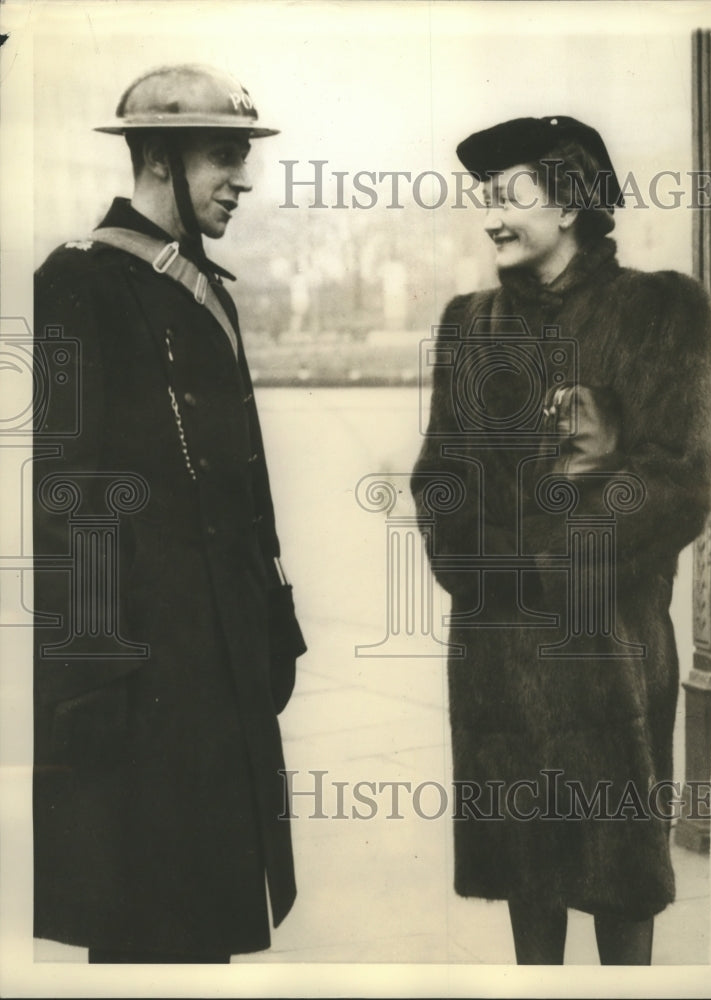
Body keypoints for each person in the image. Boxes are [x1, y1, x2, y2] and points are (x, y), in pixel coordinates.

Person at [411, 116, 711, 964]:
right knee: (527, 890)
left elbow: (673, 482)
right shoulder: (468, 323)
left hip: (606, 652)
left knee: (620, 888)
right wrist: (481, 570)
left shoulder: (660, 308)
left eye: (507, 196)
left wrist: (547, 561)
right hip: (496, 658)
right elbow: (438, 478)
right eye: (485, 200)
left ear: (573, 202)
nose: (490, 218)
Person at [33, 64, 306, 964]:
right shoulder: (81, 284)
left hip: (217, 658)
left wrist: (273, 623)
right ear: (157, 157)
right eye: (223, 157)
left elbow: (245, 484)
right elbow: (72, 500)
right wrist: (92, 684)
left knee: (207, 918)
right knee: (146, 922)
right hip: (140, 675)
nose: (243, 179)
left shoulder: (203, 289)